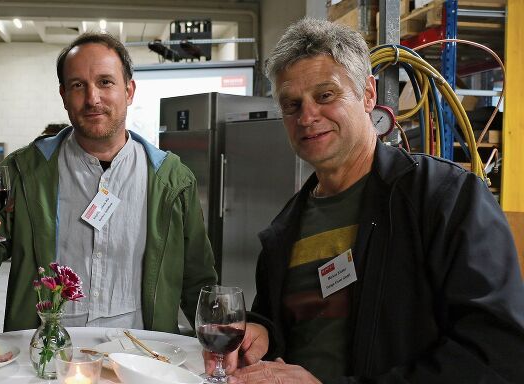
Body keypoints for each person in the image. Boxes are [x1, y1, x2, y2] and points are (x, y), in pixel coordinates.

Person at [205, 18, 524, 383]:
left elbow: (497, 356)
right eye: (292, 105)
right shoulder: (284, 229)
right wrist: (262, 333)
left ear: (368, 94)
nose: (307, 116)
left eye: (325, 95)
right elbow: (291, 327)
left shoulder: (445, 199)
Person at [0, 32, 217, 332]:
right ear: (64, 95)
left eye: (105, 82)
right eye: (78, 85)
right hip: (46, 353)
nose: (93, 98)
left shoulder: (172, 179)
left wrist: (215, 342)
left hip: (139, 355)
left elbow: (198, 281)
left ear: (129, 91)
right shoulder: (22, 171)